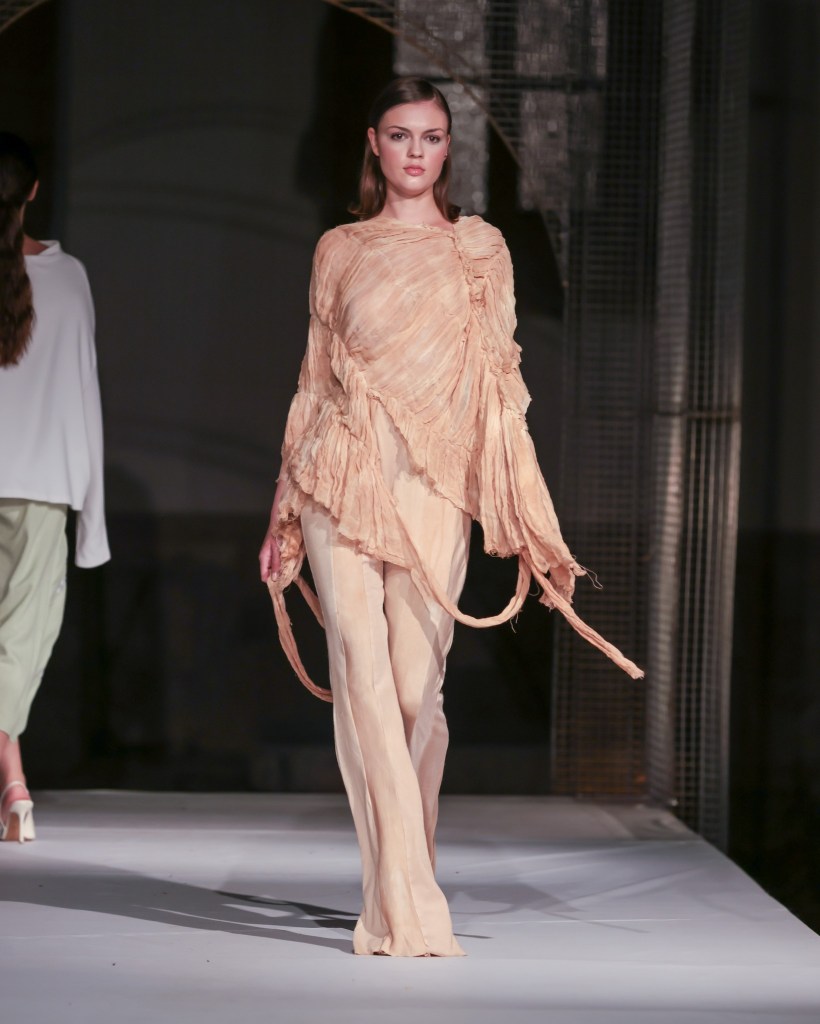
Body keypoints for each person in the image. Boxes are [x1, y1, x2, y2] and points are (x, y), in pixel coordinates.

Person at [259, 78, 642, 957]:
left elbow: (502, 387)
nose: (416, 153)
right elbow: (313, 379)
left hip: (437, 484)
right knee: (360, 672)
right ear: (374, 143)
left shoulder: (480, 249)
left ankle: (404, 870)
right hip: (340, 472)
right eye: (400, 136)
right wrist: (282, 506)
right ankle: (404, 902)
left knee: (413, 694)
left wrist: (526, 513)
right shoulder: (340, 248)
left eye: (431, 137)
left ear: (447, 148)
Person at [0, 132, 110, 843]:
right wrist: (93, 517)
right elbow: (82, 397)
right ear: (34, 191)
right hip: (40, 485)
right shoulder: (67, 278)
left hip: (37, 483)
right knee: (20, 640)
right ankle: (12, 785)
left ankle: (13, 783)